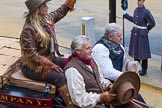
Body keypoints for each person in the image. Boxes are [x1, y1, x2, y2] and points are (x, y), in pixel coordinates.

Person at [19, 0, 76, 107]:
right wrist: (47, 63)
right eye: (44, 5)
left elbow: (60, 12)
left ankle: (79, 95)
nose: (47, 7)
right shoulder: (28, 28)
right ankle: (71, 105)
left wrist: (70, 2)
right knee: (60, 77)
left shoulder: (46, 19)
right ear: (37, 9)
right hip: (33, 67)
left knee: (73, 62)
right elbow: (30, 52)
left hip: (50, 58)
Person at [92, 23, 146, 104]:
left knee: (136, 97)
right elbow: (107, 72)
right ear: (110, 36)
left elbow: (124, 62)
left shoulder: (120, 47)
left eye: (121, 35)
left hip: (118, 81)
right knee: (132, 99)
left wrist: (133, 69)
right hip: (106, 84)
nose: (122, 38)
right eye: (118, 36)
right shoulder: (100, 48)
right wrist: (127, 76)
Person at [64, 35, 117, 108]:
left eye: (91, 47)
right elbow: (79, 99)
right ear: (78, 51)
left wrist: (109, 85)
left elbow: (100, 79)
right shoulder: (72, 70)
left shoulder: (92, 61)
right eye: (87, 48)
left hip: (104, 104)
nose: (91, 50)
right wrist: (100, 97)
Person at [122, 0, 156, 75]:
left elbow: (152, 23)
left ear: (143, 1)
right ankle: (136, 66)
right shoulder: (136, 10)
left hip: (142, 34)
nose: (138, 1)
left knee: (143, 51)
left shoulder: (146, 12)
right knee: (135, 50)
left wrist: (146, 29)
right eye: (138, 0)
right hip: (135, 33)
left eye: (140, 0)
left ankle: (144, 68)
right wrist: (125, 14)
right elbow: (133, 20)